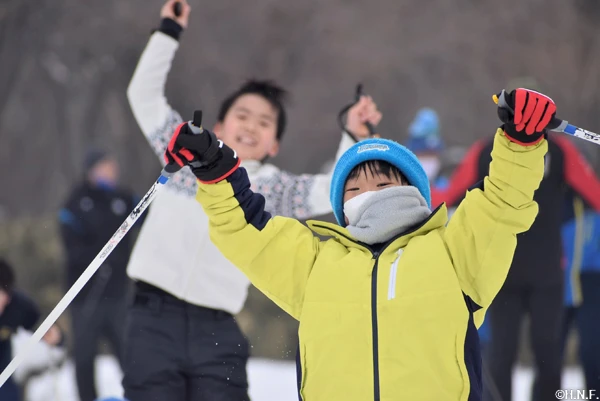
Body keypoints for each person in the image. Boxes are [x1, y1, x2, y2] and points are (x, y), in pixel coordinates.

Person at [163, 88, 555, 400]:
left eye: (384, 184)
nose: (370, 194)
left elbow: (502, 201)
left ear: (414, 192)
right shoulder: (316, 264)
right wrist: (213, 168)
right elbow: (246, 228)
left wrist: (520, 142)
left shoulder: (455, 251)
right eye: (354, 188)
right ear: (341, 208)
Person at [124, 1, 380, 400]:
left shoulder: (272, 190)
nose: (251, 127)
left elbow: (336, 186)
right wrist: (168, 32)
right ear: (220, 125)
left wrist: (352, 133)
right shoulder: (184, 151)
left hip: (218, 327)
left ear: (274, 144)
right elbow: (142, 95)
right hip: (153, 318)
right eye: (242, 116)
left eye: (264, 123)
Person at [436, 91, 600, 401]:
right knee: (511, 353)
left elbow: (445, 197)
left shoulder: (556, 150)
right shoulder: (491, 149)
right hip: (510, 270)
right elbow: (446, 196)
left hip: (533, 268)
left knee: (538, 353)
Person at [58, 150, 138, 401]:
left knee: (129, 354)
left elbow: (149, 216)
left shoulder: (123, 198)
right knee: (84, 356)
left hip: (117, 294)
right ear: (91, 170)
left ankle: (140, 395)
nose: (110, 173)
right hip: (85, 296)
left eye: (112, 168)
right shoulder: (76, 201)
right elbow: (71, 246)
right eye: (104, 168)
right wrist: (101, 254)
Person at [0, 259, 62, 401]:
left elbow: (41, 325)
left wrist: (56, 337)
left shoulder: (19, 306)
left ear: (8, 297)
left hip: (2, 361)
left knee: (7, 394)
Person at [560, 192, 600, 393]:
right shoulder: (565, 192)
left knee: (592, 351)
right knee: (549, 353)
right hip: (560, 278)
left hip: (592, 278)